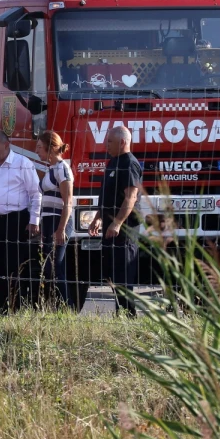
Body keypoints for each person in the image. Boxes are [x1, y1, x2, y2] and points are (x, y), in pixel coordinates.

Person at [0, 131, 41, 313]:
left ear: (7, 145)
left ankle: (12, 307)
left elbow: (35, 193)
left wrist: (34, 220)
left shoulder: (22, 164)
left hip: (15, 220)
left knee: (10, 267)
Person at [89, 125, 142, 317]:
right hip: (110, 227)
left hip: (124, 230)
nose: (105, 145)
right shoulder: (113, 162)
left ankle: (129, 315)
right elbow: (107, 195)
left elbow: (130, 198)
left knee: (123, 273)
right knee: (113, 273)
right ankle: (120, 312)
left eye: (109, 141)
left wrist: (118, 223)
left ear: (122, 142)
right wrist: (98, 218)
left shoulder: (129, 163)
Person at [36, 131, 75, 308]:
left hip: (58, 222)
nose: (36, 151)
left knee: (56, 267)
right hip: (48, 222)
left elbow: (68, 202)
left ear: (50, 148)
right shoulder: (51, 169)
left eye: (39, 147)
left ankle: (65, 307)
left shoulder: (62, 169)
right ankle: (54, 306)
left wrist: (60, 229)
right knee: (49, 267)